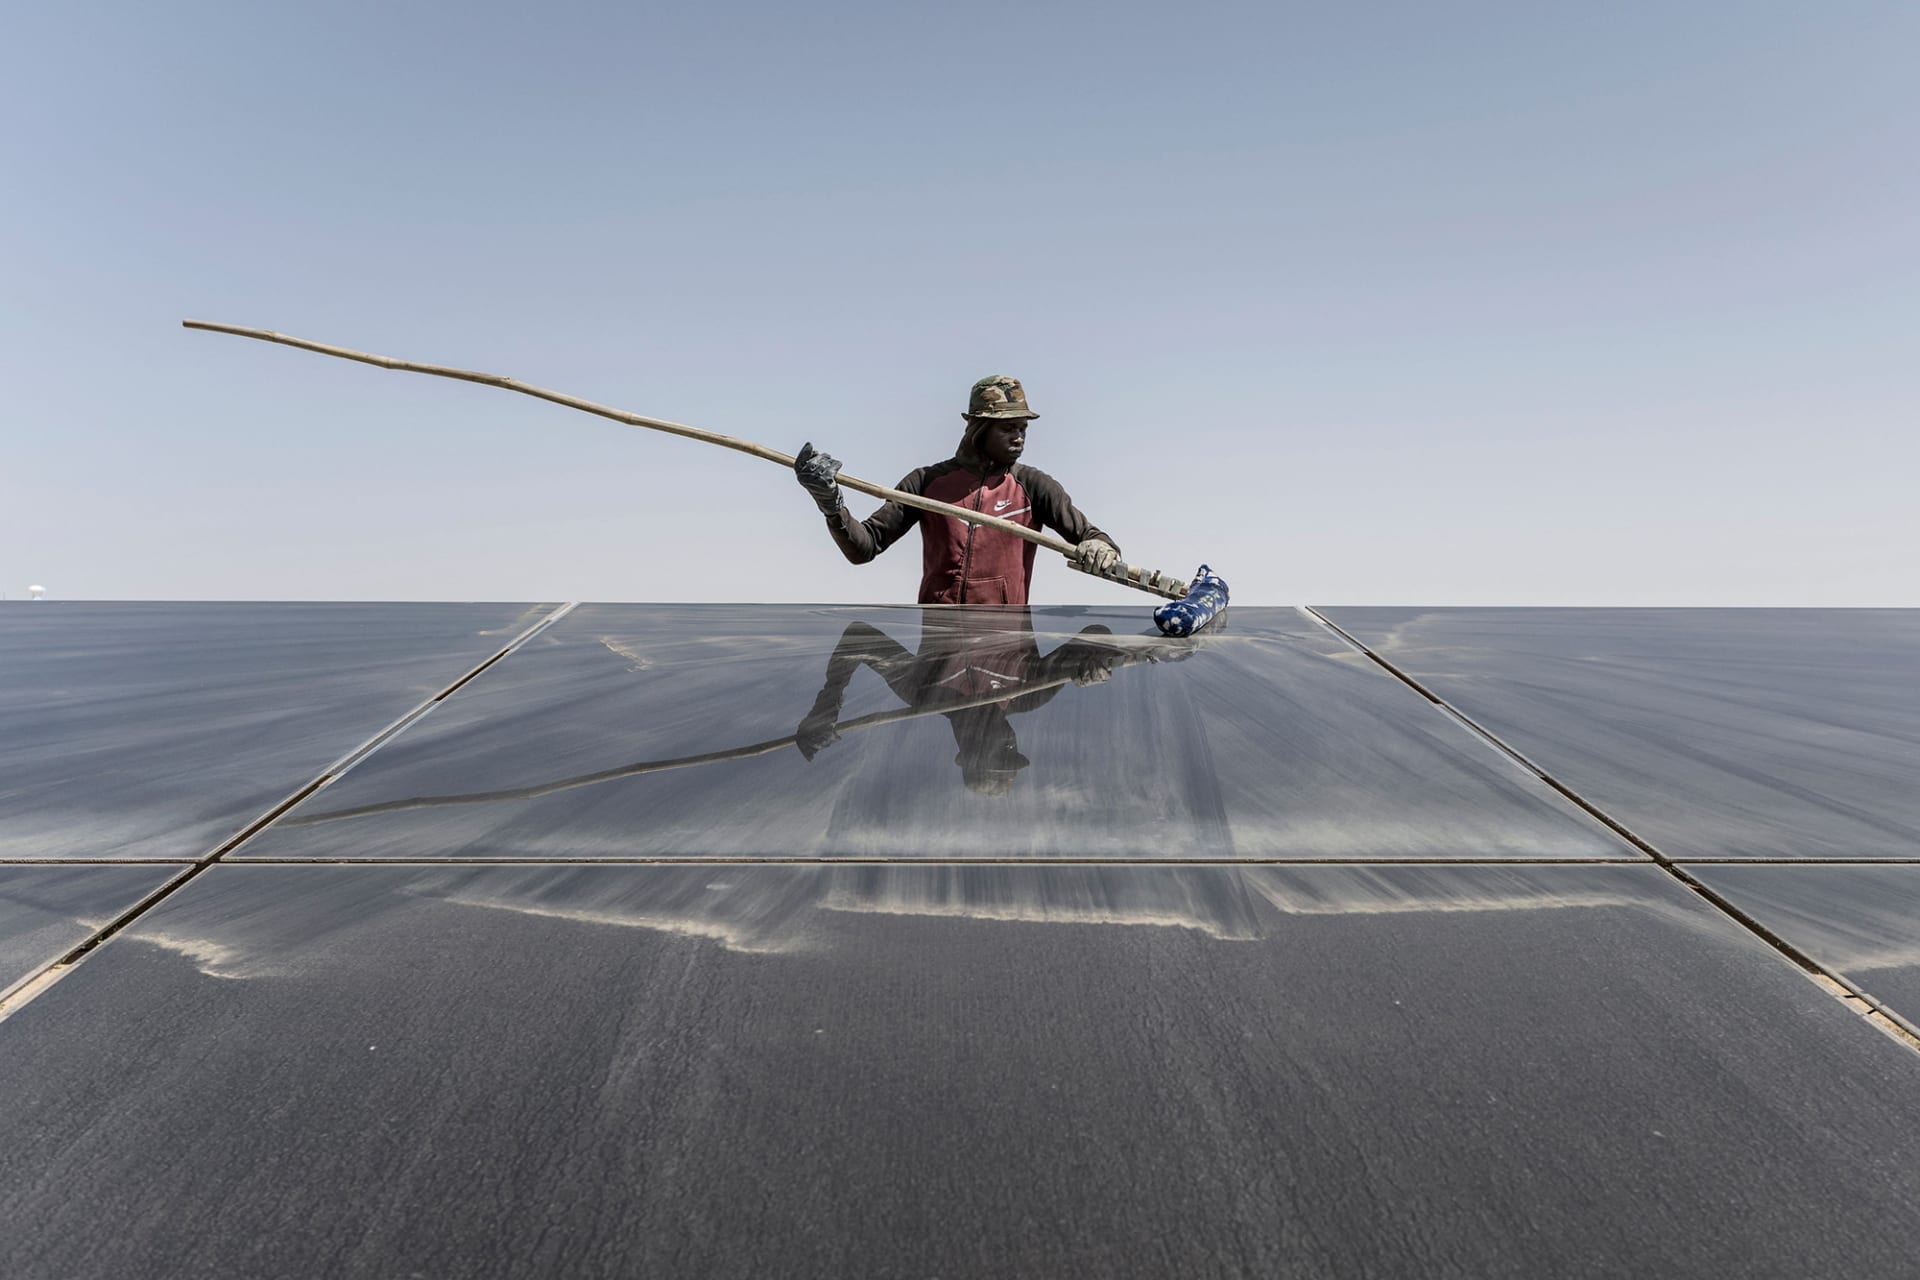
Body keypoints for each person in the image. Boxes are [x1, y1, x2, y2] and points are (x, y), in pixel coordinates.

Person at [792, 375, 1120, 605]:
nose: (1019, 436)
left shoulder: (1034, 486)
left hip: (1008, 653)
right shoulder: (924, 484)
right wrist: (832, 506)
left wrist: (1099, 548)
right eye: (1007, 428)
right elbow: (863, 549)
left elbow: (1093, 536)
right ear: (978, 429)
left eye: (1023, 428)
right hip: (937, 649)